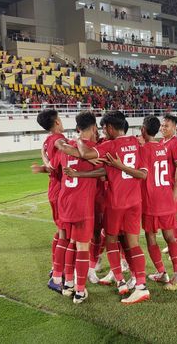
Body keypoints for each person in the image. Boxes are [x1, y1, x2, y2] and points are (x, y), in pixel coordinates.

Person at [76, 111, 151, 304]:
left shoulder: (110, 145)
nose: (102, 132)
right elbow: (142, 175)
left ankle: (120, 281)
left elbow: (85, 154)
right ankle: (140, 285)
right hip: (135, 202)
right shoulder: (136, 142)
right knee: (133, 244)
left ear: (109, 127)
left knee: (110, 239)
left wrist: (77, 139)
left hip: (116, 202)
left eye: (103, 128)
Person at [54, 111, 105, 304]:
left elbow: (56, 166)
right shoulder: (94, 150)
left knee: (70, 243)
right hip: (82, 205)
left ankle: (68, 284)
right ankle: (80, 291)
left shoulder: (66, 147)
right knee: (83, 247)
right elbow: (103, 175)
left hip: (65, 203)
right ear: (93, 128)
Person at [140, 116, 177, 290]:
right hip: (165, 197)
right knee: (170, 237)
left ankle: (161, 271)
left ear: (143, 129)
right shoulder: (162, 147)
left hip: (151, 200)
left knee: (151, 237)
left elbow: (142, 174)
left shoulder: (144, 149)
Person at [32, 109, 68, 293]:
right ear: (56, 123)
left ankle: (56, 267)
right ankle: (56, 277)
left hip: (54, 190)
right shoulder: (59, 140)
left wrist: (43, 164)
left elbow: (50, 166)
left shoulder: (47, 141)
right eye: (60, 119)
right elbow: (55, 167)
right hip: (61, 191)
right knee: (65, 234)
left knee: (61, 231)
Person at [159, 114, 177, 256]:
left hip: (173, 186)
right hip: (164, 186)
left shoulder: (175, 144)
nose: (163, 128)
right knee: (170, 216)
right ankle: (174, 243)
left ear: (174, 128)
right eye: (162, 125)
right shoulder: (163, 142)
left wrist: (175, 189)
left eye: (166, 126)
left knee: (174, 216)